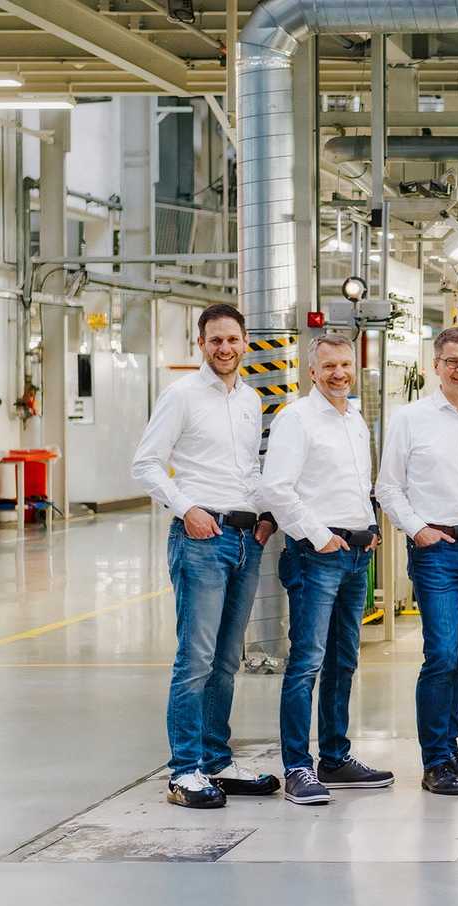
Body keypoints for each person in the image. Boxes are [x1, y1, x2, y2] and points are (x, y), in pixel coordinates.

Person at [131, 304, 280, 809]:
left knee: (225, 660)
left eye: (232, 339)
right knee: (195, 658)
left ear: (245, 343)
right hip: (200, 538)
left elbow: (248, 469)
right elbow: (146, 464)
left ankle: (216, 760)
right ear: (201, 344)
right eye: (215, 340)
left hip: (244, 540)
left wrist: (264, 516)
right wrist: (187, 508)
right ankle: (184, 771)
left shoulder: (251, 400)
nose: (225, 348)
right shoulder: (181, 395)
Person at [376, 327, 458, 797]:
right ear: (435, 365)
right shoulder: (410, 419)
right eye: (452, 361)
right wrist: (418, 529)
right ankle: (435, 761)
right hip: (436, 550)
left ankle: (451, 752)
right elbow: (388, 486)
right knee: (441, 655)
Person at [260, 332, 395, 805]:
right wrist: (319, 535)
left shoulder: (354, 418)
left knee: (344, 660)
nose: (339, 373)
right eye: (329, 366)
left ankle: (334, 758)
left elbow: (355, 484)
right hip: (316, 555)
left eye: (345, 365)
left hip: (356, 554)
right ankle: (297, 766)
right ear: (312, 371)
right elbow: (276, 488)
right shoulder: (295, 418)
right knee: (307, 662)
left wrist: (369, 526)